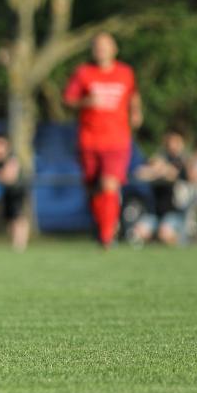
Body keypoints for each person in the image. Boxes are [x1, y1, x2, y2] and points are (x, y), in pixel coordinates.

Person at [63, 32, 142, 248]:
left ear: (114, 49)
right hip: (89, 140)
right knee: (93, 189)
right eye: (97, 46)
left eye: (106, 46)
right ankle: (102, 227)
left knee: (110, 184)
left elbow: (133, 95)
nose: (101, 50)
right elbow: (68, 100)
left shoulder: (125, 73)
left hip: (117, 140)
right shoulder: (83, 73)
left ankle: (107, 235)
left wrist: (136, 112)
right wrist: (86, 101)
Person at [131, 131, 189, 246]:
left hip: (173, 213)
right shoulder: (160, 159)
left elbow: (172, 173)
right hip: (155, 214)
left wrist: (158, 170)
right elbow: (140, 173)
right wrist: (156, 169)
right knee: (137, 233)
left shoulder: (182, 162)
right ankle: (156, 238)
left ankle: (181, 239)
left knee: (165, 234)